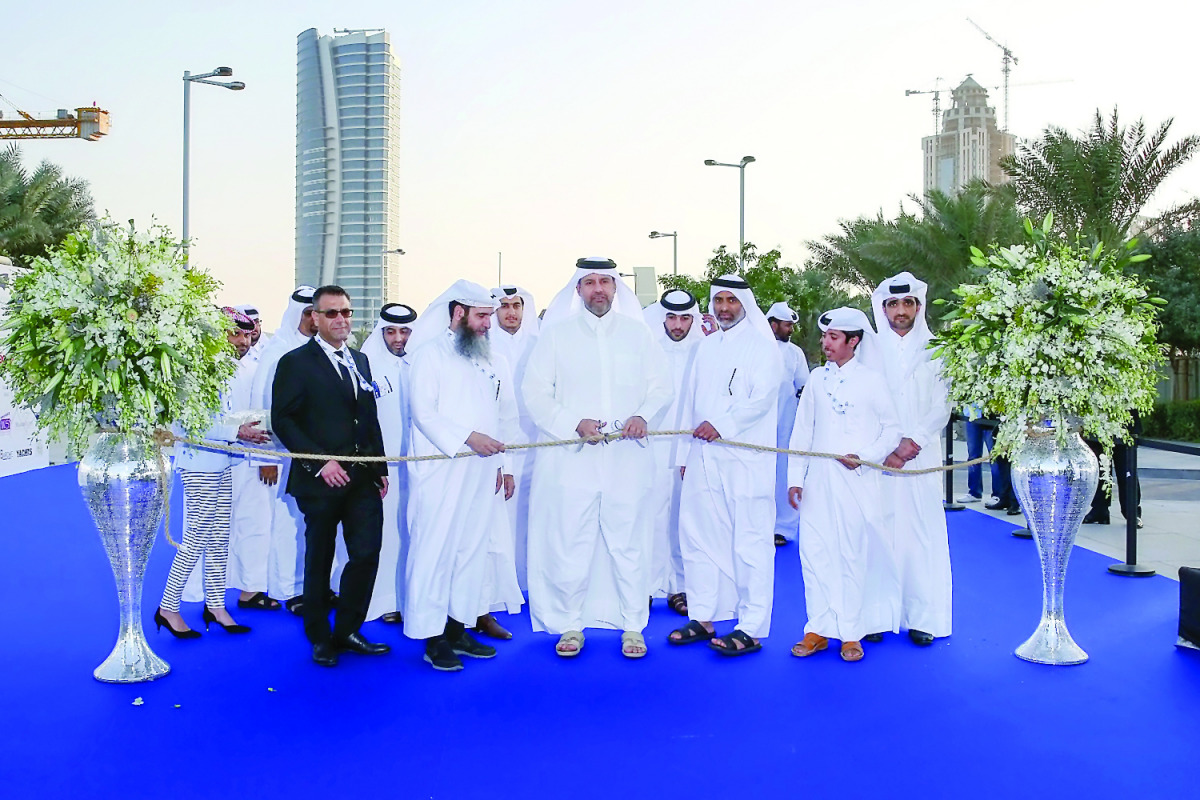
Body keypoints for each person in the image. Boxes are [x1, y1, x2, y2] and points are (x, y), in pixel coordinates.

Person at [523, 258, 672, 659]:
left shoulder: (638, 336)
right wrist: (573, 423)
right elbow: (536, 393)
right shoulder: (556, 336)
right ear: (578, 290)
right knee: (572, 539)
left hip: (627, 459)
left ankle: (632, 626)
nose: (598, 289)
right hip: (573, 460)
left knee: (629, 542)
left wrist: (643, 416)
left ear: (616, 288)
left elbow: (661, 387)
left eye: (605, 281)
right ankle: (571, 624)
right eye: (589, 283)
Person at [402, 281, 520, 671]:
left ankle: (457, 626)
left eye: (490, 316)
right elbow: (424, 412)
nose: (490, 324)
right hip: (441, 470)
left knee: (471, 551)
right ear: (458, 314)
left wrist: (505, 466)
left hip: (483, 471)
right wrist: (469, 438)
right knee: (435, 549)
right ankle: (432, 637)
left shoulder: (494, 360)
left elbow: (507, 417)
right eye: (483, 316)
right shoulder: (428, 356)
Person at [272, 285, 390, 667]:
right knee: (319, 559)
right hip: (319, 480)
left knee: (366, 553)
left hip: (362, 480)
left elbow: (369, 419)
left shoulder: (361, 360)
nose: (342, 320)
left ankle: (348, 629)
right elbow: (283, 420)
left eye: (346, 313)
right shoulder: (295, 362)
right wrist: (321, 462)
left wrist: (380, 468)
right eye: (333, 313)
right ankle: (320, 637)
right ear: (315, 318)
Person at [668, 276, 783, 656]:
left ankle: (751, 626)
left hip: (745, 460)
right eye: (719, 300)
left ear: (745, 304)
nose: (724, 308)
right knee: (698, 536)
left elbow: (762, 400)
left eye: (732, 300)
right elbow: (691, 403)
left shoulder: (764, 349)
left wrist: (723, 426)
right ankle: (703, 615)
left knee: (750, 541)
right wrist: (685, 455)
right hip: (702, 457)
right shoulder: (706, 348)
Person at [788, 307, 902, 663]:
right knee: (815, 553)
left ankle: (852, 632)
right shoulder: (816, 380)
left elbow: (891, 430)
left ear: (853, 341)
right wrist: (795, 478)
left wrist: (864, 455)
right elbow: (802, 430)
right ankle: (818, 629)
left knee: (852, 554)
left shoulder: (872, 380)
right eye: (824, 337)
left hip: (857, 481)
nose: (825, 343)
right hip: (818, 483)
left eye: (833, 338)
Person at [156, 308, 272, 638]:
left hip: (222, 460)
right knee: (196, 539)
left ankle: (216, 606)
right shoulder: (191, 369)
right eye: (235, 334)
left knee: (220, 539)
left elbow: (219, 417)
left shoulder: (219, 370)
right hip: (199, 464)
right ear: (215, 335)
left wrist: (241, 428)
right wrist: (238, 432)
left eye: (247, 335)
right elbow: (191, 423)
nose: (244, 341)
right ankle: (168, 608)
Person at [870, 273, 953, 646]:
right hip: (879, 458)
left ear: (918, 307)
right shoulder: (868, 350)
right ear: (883, 309)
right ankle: (876, 614)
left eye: (907, 304)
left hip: (921, 457)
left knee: (922, 534)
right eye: (893, 305)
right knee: (878, 531)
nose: (900, 311)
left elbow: (942, 405)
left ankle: (924, 617)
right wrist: (886, 446)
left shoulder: (937, 349)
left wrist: (912, 443)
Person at [333, 302, 418, 625]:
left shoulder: (419, 364)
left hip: (417, 465)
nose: (399, 338)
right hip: (377, 468)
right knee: (373, 537)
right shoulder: (365, 365)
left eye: (405, 331)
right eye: (391, 331)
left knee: (408, 530)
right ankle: (377, 601)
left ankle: (404, 596)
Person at [248, 287, 318, 614]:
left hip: (318, 452)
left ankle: (312, 585)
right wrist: (267, 458)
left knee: (313, 523)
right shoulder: (278, 352)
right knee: (286, 524)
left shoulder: (323, 349)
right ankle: (287, 589)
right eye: (306, 313)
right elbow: (263, 407)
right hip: (283, 454)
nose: (312, 319)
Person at [477, 283, 541, 639]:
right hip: (498, 448)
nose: (510, 312)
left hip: (539, 445)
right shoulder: (483, 346)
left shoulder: (539, 342)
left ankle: (531, 583)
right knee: (499, 520)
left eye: (516, 305)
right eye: (503, 306)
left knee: (534, 517)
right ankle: (499, 590)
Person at [642, 289, 703, 617]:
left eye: (684, 318)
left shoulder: (704, 351)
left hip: (688, 449)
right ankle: (648, 586)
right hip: (651, 447)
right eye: (671, 317)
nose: (677, 325)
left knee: (683, 519)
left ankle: (680, 586)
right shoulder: (647, 349)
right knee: (651, 517)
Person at [767, 301, 810, 546]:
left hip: (785, 425)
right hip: (754, 427)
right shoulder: (757, 348)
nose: (790, 330)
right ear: (774, 325)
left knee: (783, 473)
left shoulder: (795, 354)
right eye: (786, 325)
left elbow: (802, 386)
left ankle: (782, 527)